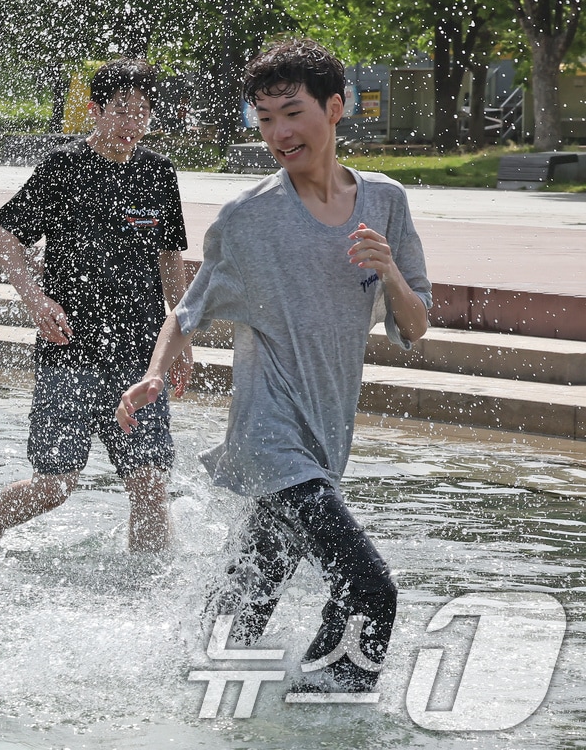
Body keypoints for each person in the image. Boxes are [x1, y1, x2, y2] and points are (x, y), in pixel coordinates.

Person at [116, 38, 432, 693]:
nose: (279, 133)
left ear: (337, 107)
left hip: (322, 443)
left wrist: (391, 273)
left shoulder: (386, 203)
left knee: (243, 605)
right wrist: (154, 373)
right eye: (264, 119)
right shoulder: (251, 217)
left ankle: (175, 691)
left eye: (292, 113)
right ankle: (323, 713)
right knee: (371, 589)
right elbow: (186, 312)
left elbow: (415, 325)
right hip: (269, 438)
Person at [0, 58, 190, 552]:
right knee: (56, 486)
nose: (132, 123)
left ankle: (146, 599)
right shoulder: (61, 168)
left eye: (143, 112)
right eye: (121, 110)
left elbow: (170, 257)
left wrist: (182, 336)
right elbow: (5, 243)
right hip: (69, 350)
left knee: (150, 485)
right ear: (94, 110)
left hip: (139, 352)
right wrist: (36, 300)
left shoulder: (157, 173)